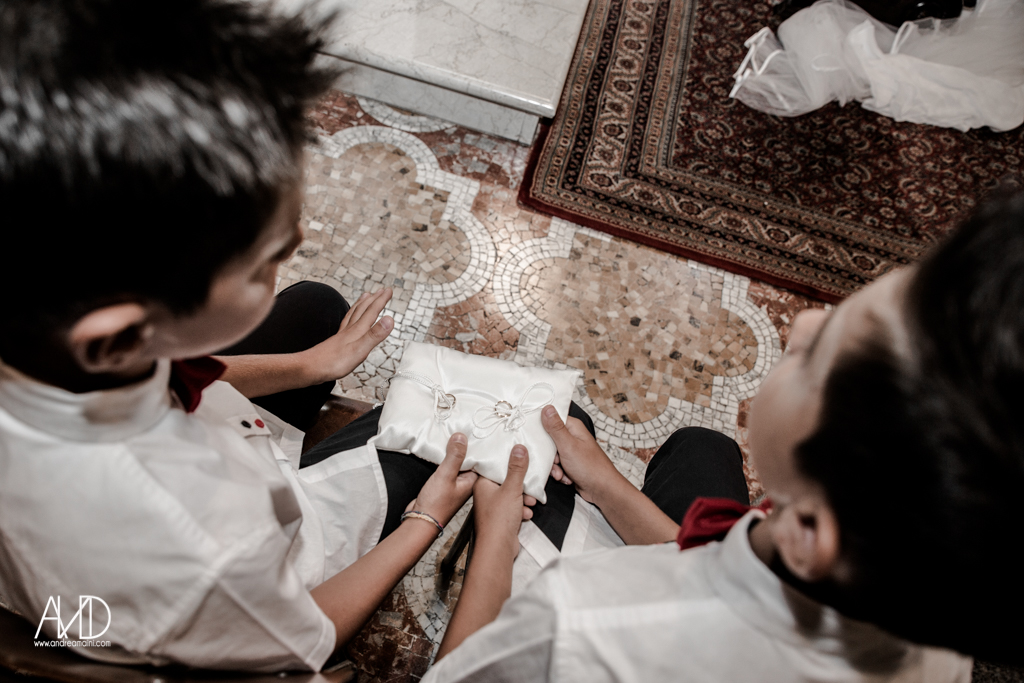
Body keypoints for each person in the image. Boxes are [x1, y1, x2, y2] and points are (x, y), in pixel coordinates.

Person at [0, 0, 477, 672]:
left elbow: (181, 376)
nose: (299, 240)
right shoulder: (211, 547)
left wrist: (311, 365)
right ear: (122, 338)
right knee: (445, 435)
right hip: (249, 580)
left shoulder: (58, 341)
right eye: (264, 261)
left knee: (315, 306)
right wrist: (423, 522)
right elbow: (307, 638)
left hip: (123, 530)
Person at [422, 194, 1024, 681]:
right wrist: (604, 482)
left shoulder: (582, 616)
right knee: (705, 447)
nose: (803, 323)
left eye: (816, 358)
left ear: (809, 529)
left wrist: (494, 539)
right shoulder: (939, 639)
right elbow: (709, 565)